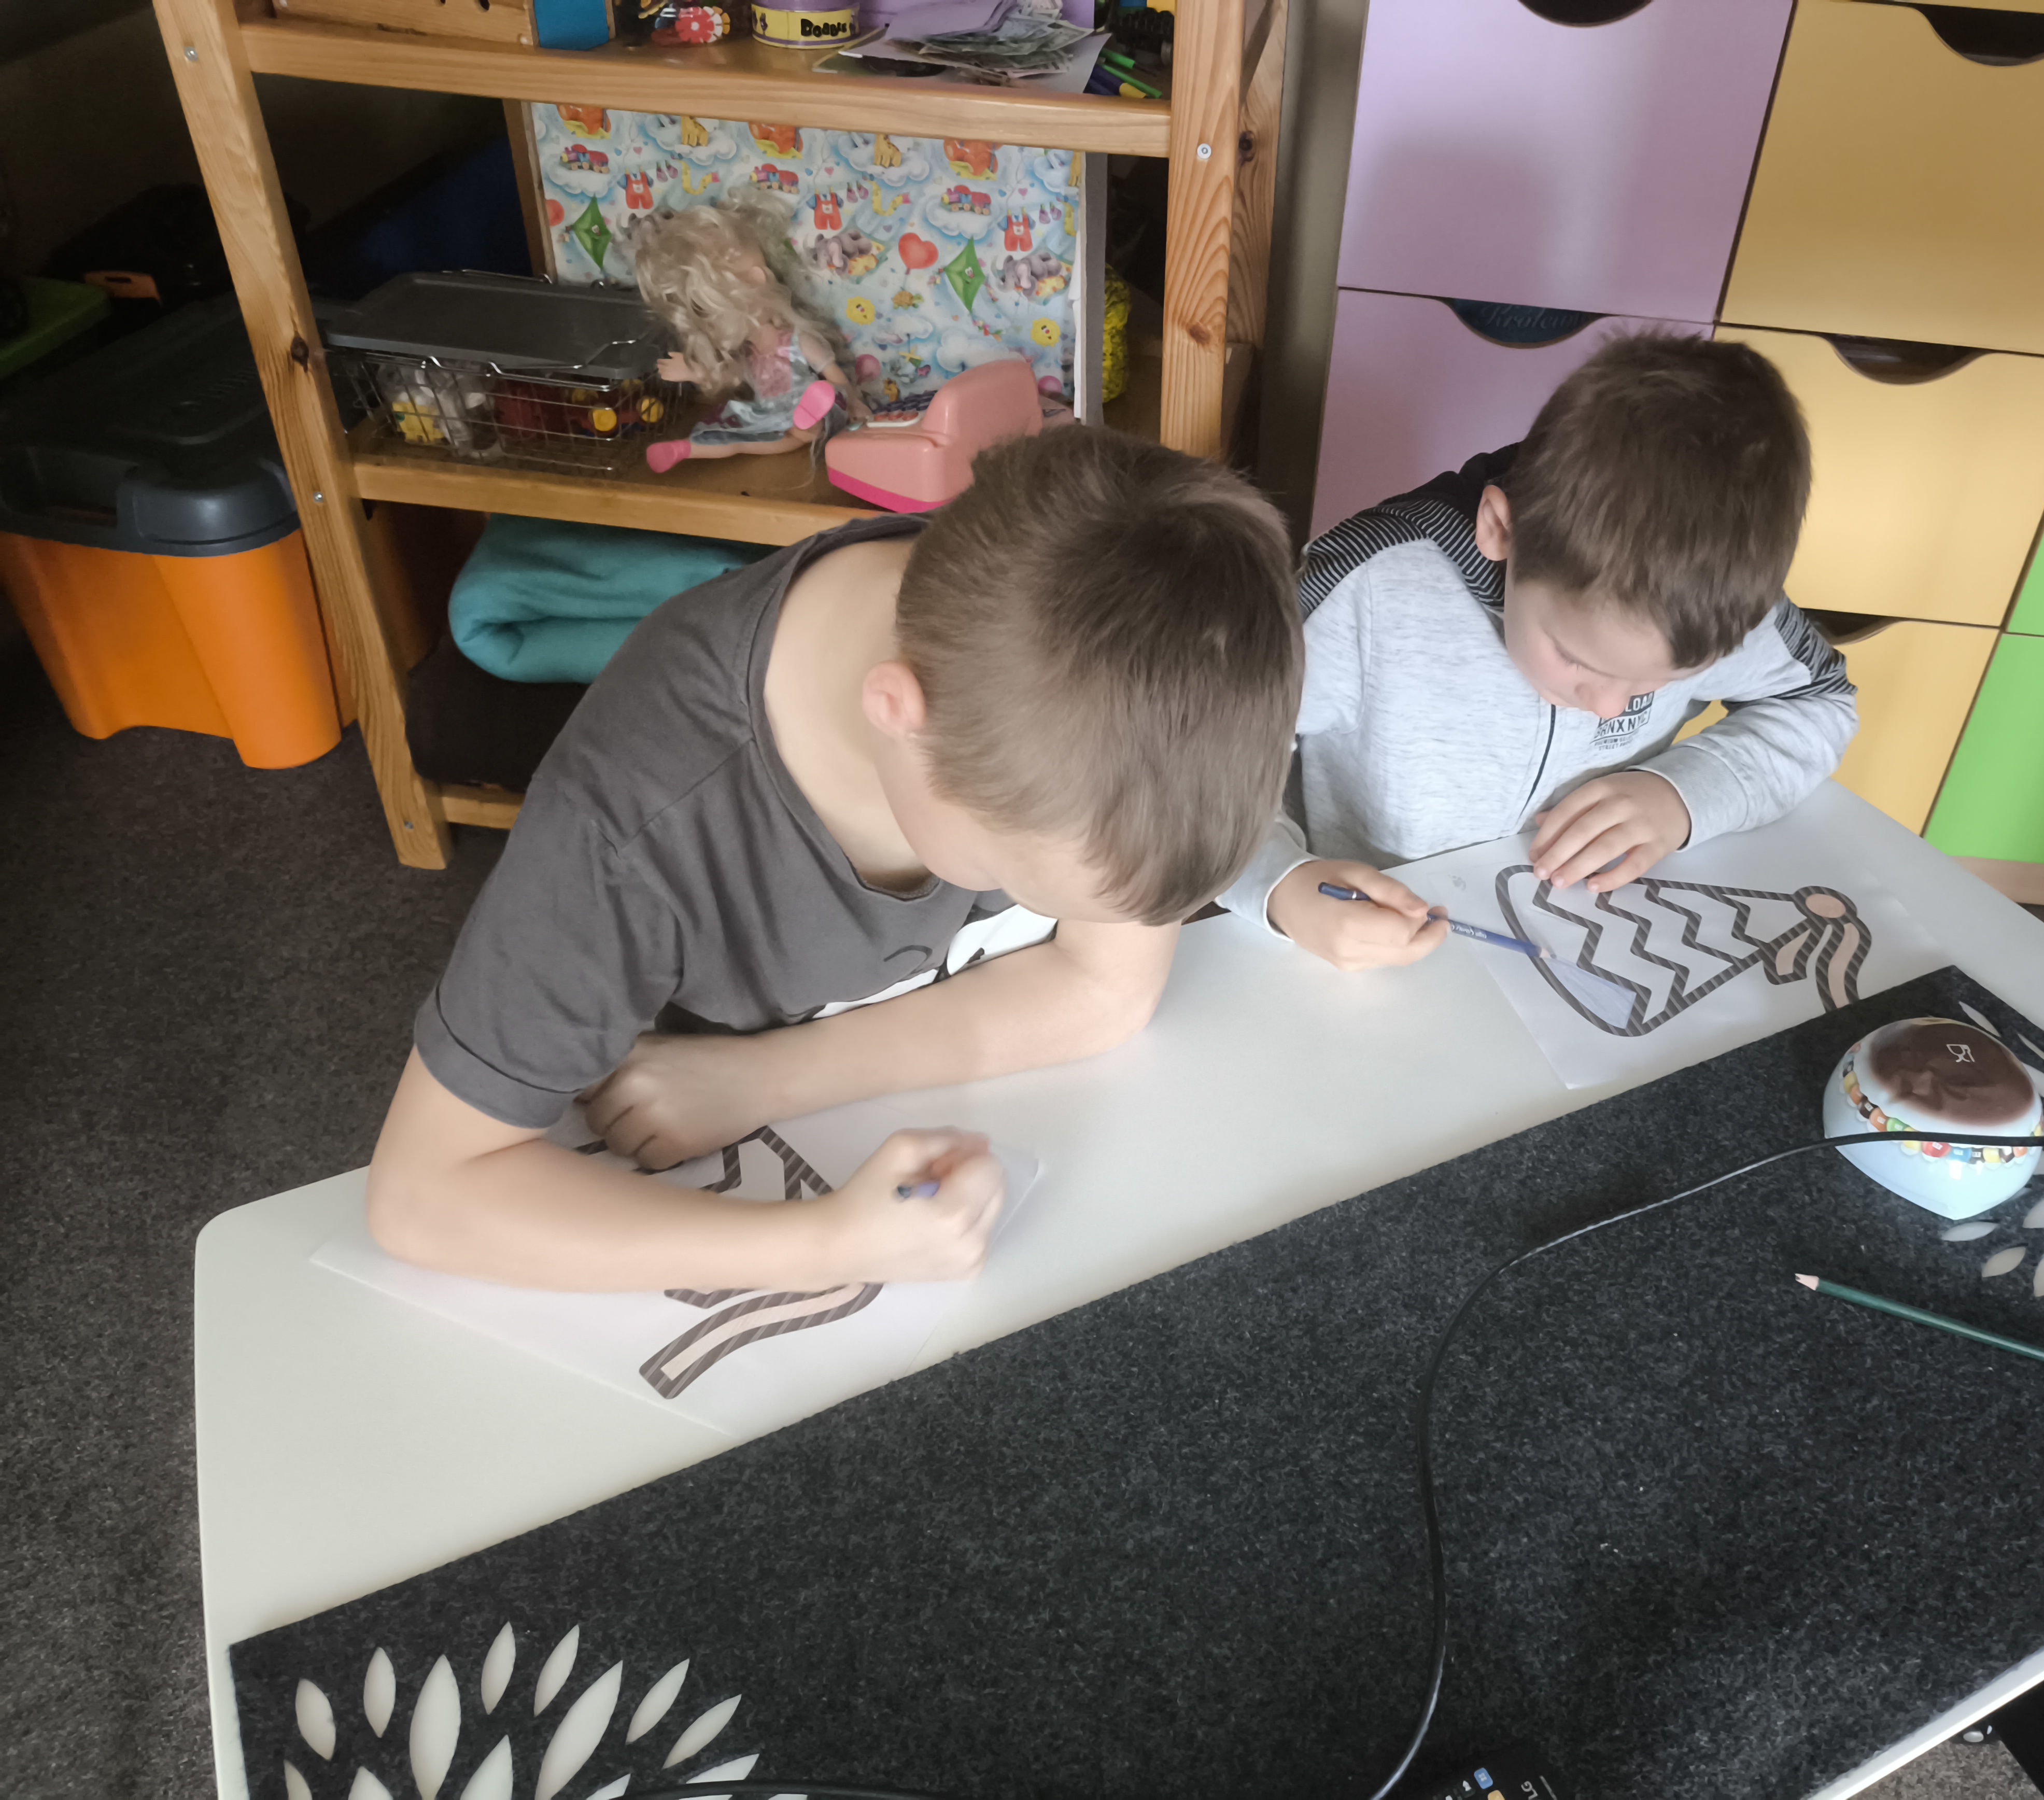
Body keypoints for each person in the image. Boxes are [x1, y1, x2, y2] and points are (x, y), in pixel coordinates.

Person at [369, 428, 1301, 1292]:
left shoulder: (1088, 632)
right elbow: (422, 1195)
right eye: (1014, 878)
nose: (1020, 898)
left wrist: (769, 1078)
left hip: (781, 1097)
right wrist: (826, 1246)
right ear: (898, 715)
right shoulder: (631, 826)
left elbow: (1107, 989)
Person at [1221, 332, 1855, 971]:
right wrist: (1281, 887)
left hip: (1568, 938)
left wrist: (1682, 797)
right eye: (1577, 660)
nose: (1608, 709)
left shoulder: (1710, 601)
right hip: (1354, 960)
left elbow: (1821, 702)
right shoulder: (1367, 591)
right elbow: (1197, 765)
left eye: (1655, 684)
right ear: (1500, 529)